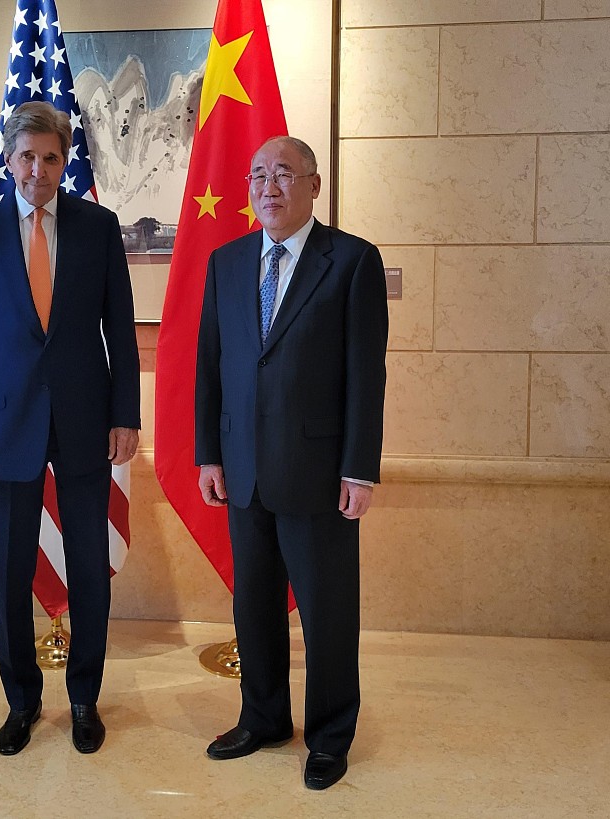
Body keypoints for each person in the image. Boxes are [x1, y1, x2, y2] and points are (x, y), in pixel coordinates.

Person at [0, 101, 140, 757]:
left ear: (63, 161)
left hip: (86, 422)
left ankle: (84, 698)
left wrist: (126, 416)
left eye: (51, 157)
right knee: (8, 573)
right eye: (27, 155)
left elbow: (122, 334)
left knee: (88, 569)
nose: (38, 169)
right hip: (4, 425)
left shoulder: (99, 228)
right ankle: (21, 701)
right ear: (8, 157)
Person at [195, 136, 387, 790]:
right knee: (253, 606)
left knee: (328, 610)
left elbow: (367, 373)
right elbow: (211, 368)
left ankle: (330, 733)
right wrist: (208, 454)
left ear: (314, 184)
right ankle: (264, 717)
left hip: (319, 474)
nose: (267, 187)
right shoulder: (226, 262)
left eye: (282, 174)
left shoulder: (352, 261)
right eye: (257, 176)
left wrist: (359, 467)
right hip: (244, 471)